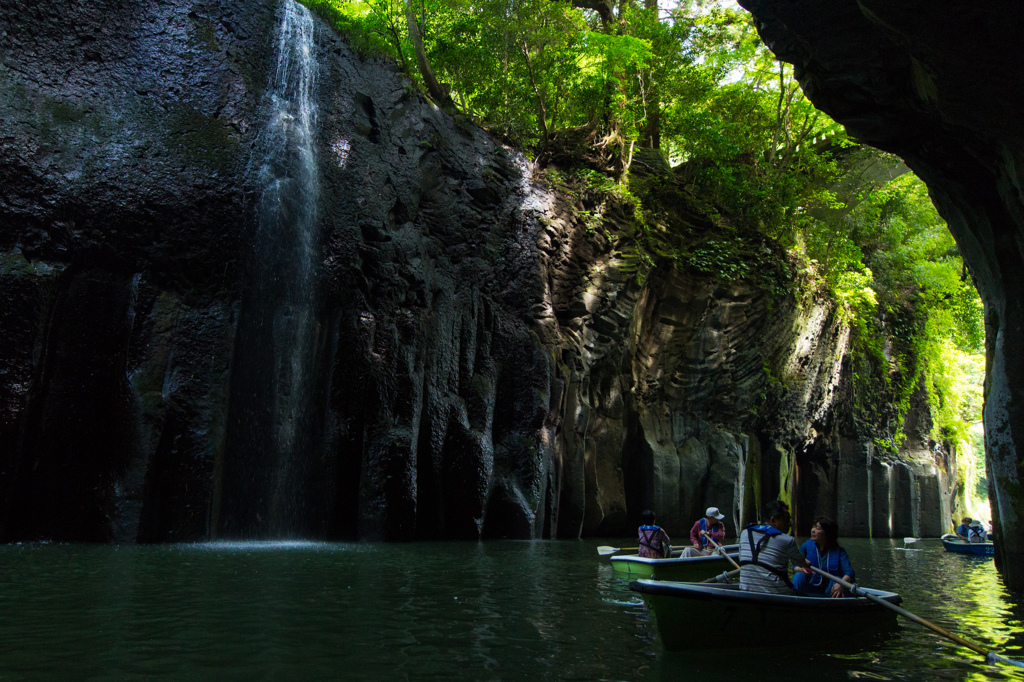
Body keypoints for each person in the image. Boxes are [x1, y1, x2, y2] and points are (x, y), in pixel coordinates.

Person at [738, 500, 810, 594]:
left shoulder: (745, 533)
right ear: (773, 520)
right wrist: (806, 563)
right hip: (776, 594)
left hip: (745, 592)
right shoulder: (787, 540)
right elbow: (800, 563)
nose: (789, 524)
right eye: (786, 520)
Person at [793, 516, 855, 598]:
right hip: (809, 589)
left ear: (827, 533)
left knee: (837, 579)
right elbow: (795, 567)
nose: (812, 530)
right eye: (813, 527)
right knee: (799, 575)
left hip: (830, 591)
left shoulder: (840, 551)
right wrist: (802, 570)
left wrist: (841, 583)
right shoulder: (806, 546)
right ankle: (794, 598)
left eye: (818, 528)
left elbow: (849, 572)